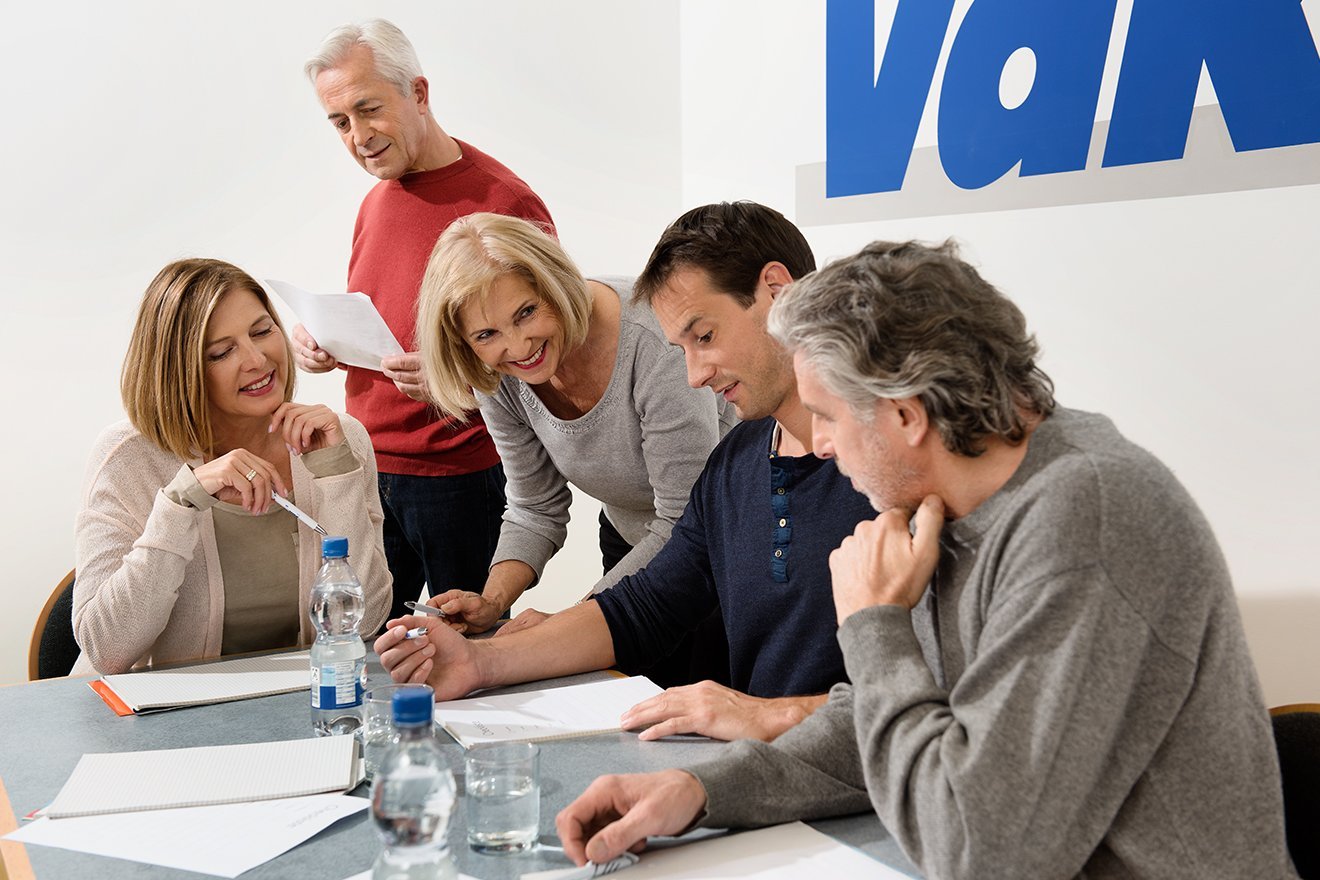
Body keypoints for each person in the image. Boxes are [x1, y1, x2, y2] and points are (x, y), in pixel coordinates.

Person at [552, 240, 1298, 879]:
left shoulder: (1089, 519)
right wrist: (700, 790)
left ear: (907, 415)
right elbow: (897, 720)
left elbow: (981, 852)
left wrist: (876, 627)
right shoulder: (957, 499)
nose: (821, 445)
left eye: (831, 418)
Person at [375, 202, 876, 742]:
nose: (693, 375)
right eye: (486, 335)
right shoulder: (734, 467)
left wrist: (763, 717)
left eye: (703, 337)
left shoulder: (894, 468)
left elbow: (933, 702)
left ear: (777, 290)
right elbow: (643, 606)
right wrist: (480, 657)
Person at [297, 19, 555, 623]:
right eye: (340, 122)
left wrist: (458, 381)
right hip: (365, 471)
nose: (358, 136)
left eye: (368, 109)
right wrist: (324, 340)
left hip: (459, 477)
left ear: (418, 93)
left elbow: (549, 352)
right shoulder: (375, 202)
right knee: (362, 649)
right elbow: (381, 312)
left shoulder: (503, 201)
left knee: (467, 654)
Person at [412, 212, 735, 636]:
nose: (518, 346)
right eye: (486, 334)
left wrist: (566, 626)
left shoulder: (654, 344)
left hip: (719, 543)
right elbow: (535, 507)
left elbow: (685, 521)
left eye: (526, 312)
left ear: (555, 285)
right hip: (632, 537)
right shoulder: (497, 373)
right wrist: (492, 601)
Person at [73, 259, 391, 675]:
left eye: (262, 331)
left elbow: (365, 623)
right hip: (166, 716)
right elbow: (106, 648)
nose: (258, 359)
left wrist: (335, 471)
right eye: (222, 352)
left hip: (301, 702)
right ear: (178, 371)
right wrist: (180, 502)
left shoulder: (337, 437)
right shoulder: (128, 458)